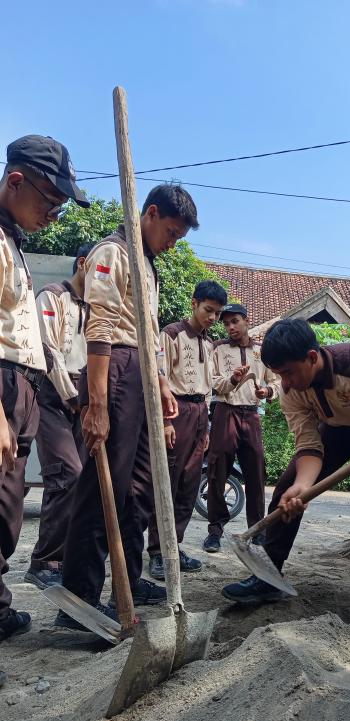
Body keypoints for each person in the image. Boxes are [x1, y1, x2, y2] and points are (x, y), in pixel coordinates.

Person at [58, 184, 198, 629]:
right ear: (150, 213)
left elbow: (148, 331)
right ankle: (78, 599)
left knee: (138, 487)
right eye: (171, 232)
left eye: (179, 238)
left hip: (140, 374)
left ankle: (129, 580)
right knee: (104, 487)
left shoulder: (147, 265)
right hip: (114, 370)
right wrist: (97, 404)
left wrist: (161, 383)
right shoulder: (113, 252)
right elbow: (100, 327)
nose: (172, 243)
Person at [222, 318, 350, 622]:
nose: (284, 383)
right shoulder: (291, 389)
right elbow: (308, 445)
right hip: (335, 429)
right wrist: (302, 487)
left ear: (311, 357)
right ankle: (269, 578)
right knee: (286, 490)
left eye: (288, 373)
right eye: (279, 375)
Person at [0, 135, 90, 642]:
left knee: (8, 507)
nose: (54, 216)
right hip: (6, 385)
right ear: (16, 180)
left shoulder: (12, 239)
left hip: (25, 388)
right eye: (50, 202)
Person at [25, 242, 95, 589]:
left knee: (81, 483)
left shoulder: (98, 308)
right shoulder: (52, 297)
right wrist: (71, 395)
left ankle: (64, 558)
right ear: (83, 264)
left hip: (84, 396)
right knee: (67, 474)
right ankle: (43, 561)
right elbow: (47, 350)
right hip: (54, 395)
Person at [147, 280, 227, 580]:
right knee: (168, 481)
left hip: (199, 414)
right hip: (176, 410)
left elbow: (208, 388)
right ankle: (158, 551)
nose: (212, 317)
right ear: (194, 304)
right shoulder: (171, 334)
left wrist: (205, 428)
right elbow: (158, 380)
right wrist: (165, 421)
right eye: (208, 310)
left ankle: (174, 546)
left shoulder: (209, 343)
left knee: (189, 484)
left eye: (217, 313)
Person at [204, 303, 280, 553]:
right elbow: (213, 381)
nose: (230, 327)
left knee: (256, 471)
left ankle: (257, 531)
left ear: (247, 320)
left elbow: (277, 381)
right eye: (226, 323)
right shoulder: (218, 348)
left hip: (251, 414)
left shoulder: (262, 351)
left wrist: (267, 391)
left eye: (235, 321)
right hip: (225, 412)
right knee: (217, 470)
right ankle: (215, 531)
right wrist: (233, 379)